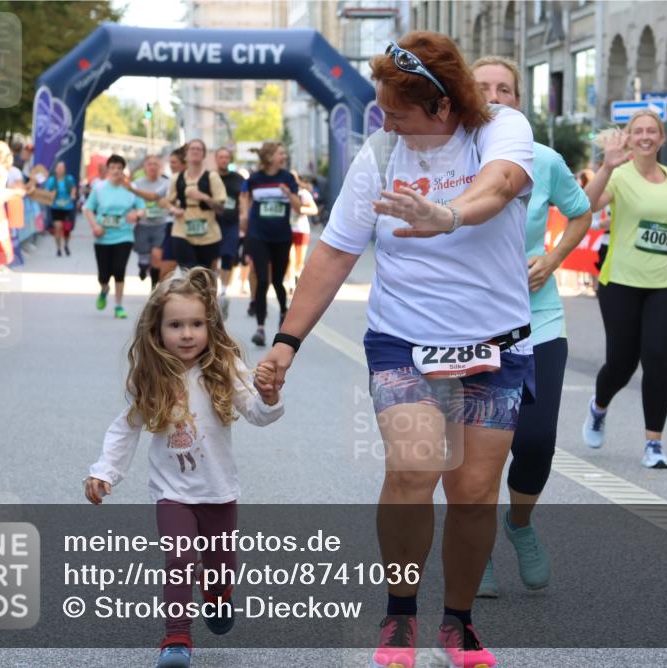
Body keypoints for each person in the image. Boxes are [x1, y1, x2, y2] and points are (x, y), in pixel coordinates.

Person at [255, 32, 534, 668]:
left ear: (442, 107)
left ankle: (458, 621)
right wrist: (286, 343)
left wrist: (449, 216)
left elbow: (500, 185)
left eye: (398, 113)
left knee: (473, 491)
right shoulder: (380, 155)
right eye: (381, 110)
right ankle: (400, 612)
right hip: (403, 341)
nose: (386, 123)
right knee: (414, 468)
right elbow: (333, 253)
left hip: (496, 344)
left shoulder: (498, 128)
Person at [84, 267, 283, 668]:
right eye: (176, 325)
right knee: (179, 559)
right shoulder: (150, 378)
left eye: (195, 324)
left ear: (209, 326)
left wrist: (270, 395)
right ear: (157, 331)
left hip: (218, 490)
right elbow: (126, 428)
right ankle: (176, 640)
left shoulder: (224, 369)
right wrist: (105, 470)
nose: (187, 334)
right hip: (171, 492)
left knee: (220, 567)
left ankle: (217, 594)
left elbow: (261, 416)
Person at [470, 56, 592, 598]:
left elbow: (582, 211)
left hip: (537, 318)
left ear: (519, 101)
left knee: (536, 441)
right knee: (478, 445)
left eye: (505, 89)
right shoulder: (451, 156)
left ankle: (518, 523)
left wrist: (556, 256)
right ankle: (475, 546)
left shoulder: (544, 160)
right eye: (483, 89)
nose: (495, 97)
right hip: (466, 324)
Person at [582, 111, 667, 469]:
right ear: (629, 138)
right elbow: (585, 206)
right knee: (621, 363)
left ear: (662, 139)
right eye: (639, 131)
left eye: (653, 131)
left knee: (657, 360)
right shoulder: (618, 176)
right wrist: (605, 167)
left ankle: (654, 443)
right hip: (621, 282)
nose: (646, 136)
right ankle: (598, 407)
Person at [239, 142, 300, 347]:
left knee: (278, 281)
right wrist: (244, 216)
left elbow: (299, 207)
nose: (284, 156)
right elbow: (244, 196)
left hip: (281, 236)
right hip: (258, 235)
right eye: (281, 153)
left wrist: (288, 193)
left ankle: (283, 310)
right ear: (270, 156)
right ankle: (260, 328)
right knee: (263, 280)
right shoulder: (255, 179)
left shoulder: (287, 178)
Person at [83, 154, 146, 319]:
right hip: (102, 236)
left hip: (124, 235)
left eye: (119, 168)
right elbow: (87, 208)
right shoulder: (99, 187)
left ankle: (118, 306)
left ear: (123, 170)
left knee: (119, 270)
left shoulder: (130, 187)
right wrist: (95, 226)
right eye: (113, 167)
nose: (116, 171)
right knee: (103, 275)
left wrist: (137, 216)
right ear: (108, 169)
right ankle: (104, 289)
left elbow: (142, 208)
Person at [167, 139, 226, 273]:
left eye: (199, 149)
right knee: (188, 271)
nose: (195, 151)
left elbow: (221, 208)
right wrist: (173, 209)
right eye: (192, 148)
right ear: (185, 154)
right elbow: (167, 202)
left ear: (204, 155)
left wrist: (203, 197)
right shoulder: (177, 178)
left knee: (202, 275)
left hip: (208, 234)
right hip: (182, 231)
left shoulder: (212, 177)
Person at [127, 154, 170, 289]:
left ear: (160, 167)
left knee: (157, 256)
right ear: (145, 167)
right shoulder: (137, 184)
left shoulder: (166, 183)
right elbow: (130, 202)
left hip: (161, 224)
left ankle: (154, 287)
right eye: (149, 164)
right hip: (143, 225)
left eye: (155, 164)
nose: (152, 167)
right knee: (144, 257)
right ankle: (142, 267)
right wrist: (134, 213)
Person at [214, 147, 245, 318]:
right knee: (213, 257)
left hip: (231, 224)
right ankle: (213, 289)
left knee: (228, 255)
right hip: (212, 223)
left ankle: (224, 292)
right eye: (221, 157)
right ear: (216, 159)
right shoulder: (210, 178)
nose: (224, 160)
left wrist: (244, 218)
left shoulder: (238, 179)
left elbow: (245, 199)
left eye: (226, 157)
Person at [159, 147, 187, 283]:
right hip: (173, 225)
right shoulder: (170, 180)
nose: (171, 165)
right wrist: (173, 208)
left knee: (194, 268)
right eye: (170, 162)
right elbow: (161, 200)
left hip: (194, 227)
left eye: (174, 162)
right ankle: (164, 298)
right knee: (167, 268)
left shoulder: (204, 178)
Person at [287, 170, 318, 291]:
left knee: (299, 260)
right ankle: (290, 283)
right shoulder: (283, 192)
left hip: (301, 229)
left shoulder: (303, 193)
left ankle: (297, 277)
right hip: (287, 229)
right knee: (290, 257)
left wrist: (300, 209)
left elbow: (314, 210)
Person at [45, 161, 78, 257]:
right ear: (55, 169)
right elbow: (47, 191)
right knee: (58, 227)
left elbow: (73, 188)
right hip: (56, 207)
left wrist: (73, 194)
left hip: (67, 207)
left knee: (66, 229)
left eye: (62, 168)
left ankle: (66, 245)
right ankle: (58, 248)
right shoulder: (52, 180)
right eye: (58, 168)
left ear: (64, 169)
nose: (60, 170)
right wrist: (50, 195)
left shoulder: (69, 179)